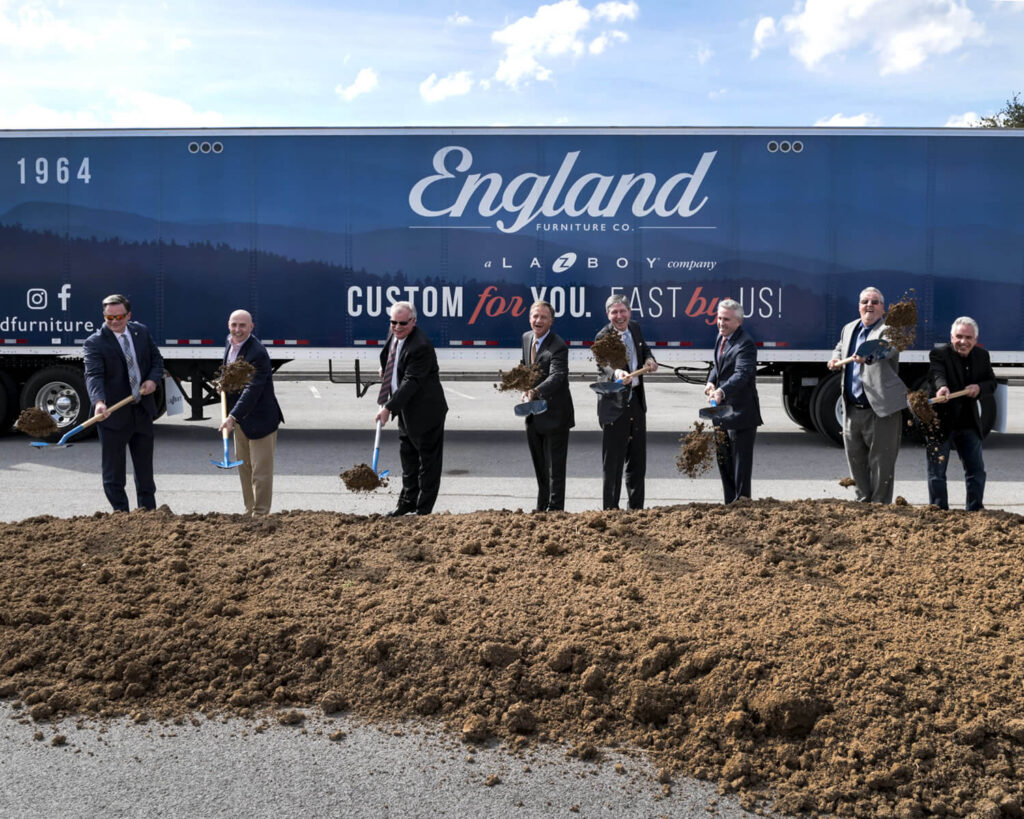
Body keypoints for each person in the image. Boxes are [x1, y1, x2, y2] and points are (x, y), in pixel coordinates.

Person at [83, 294, 164, 512]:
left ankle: (147, 515)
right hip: (113, 415)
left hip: (142, 410)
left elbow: (157, 361)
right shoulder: (95, 342)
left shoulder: (141, 332)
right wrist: (99, 402)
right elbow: (93, 375)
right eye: (109, 318)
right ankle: (121, 516)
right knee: (114, 474)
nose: (114, 321)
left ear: (129, 315)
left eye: (119, 316)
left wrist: (151, 380)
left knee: (145, 471)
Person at [827, 286, 907, 503]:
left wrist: (868, 357)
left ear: (883, 308)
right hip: (852, 409)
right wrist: (835, 358)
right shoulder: (849, 328)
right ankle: (863, 504)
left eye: (874, 302)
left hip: (881, 410)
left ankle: (880, 508)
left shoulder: (889, 329)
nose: (869, 306)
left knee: (882, 463)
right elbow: (840, 347)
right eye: (865, 302)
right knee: (856, 461)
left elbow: (887, 349)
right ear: (859, 306)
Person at [375, 301, 448, 515]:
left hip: (426, 412)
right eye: (393, 322)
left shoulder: (421, 347)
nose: (397, 327)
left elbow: (412, 382)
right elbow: (389, 353)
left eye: (402, 323)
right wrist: (385, 367)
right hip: (406, 410)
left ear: (413, 322)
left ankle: (423, 510)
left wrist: (388, 408)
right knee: (408, 459)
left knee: (428, 464)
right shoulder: (395, 334)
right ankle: (407, 502)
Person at [594, 294, 658, 510]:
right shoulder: (603, 336)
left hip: (637, 404)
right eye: (614, 312)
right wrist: (617, 372)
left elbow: (644, 349)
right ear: (608, 314)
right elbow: (604, 364)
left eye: (623, 311)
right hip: (615, 407)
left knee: (637, 461)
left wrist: (649, 359)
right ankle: (610, 511)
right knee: (613, 464)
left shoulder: (636, 328)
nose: (619, 316)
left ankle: (636, 509)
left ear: (629, 312)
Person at [925, 317, 996, 511]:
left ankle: (975, 510)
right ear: (951, 337)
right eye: (959, 337)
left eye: (968, 337)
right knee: (936, 473)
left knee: (976, 471)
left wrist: (979, 387)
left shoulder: (982, 356)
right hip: (941, 422)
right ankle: (939, 511)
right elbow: (937, 374)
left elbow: (991, 383)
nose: (963, 341)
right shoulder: (939, 354)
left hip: (968, 422)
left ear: (975, 339)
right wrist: (942, 388)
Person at [219, 309, 284, 516]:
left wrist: (232, 416)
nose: (237, 330)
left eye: (242, 325)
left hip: (261, 419)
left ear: (251, 327)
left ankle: (261, 513)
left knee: (260, 472)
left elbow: (252, 389)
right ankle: (250, 510)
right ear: (229, 325)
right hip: (241, 420)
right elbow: (232, 375)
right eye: (234, 325)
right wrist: (223, 384)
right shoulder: (230, 344)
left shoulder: (257, 353)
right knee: (244, 469)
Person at [704, 298, 762, 503]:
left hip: (741, 414)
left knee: (740, 467)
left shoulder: (745, 343)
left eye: (726, 319)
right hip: (721, 413)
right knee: (724, 463)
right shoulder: (722, 337)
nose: (721, 323)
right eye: (719, 318)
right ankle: (729, 504)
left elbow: (742, 374)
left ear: (738, 321)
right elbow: (718, 366)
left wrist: (721, 391)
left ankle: (742, 505)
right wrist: (711, 382)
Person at [520, 300, 575, 511]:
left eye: (543, 317)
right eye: (535, 316)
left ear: (551, 321)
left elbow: (557, 376)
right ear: (529, 318)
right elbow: (527, 368)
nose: (538, 320)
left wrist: (535, 391)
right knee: (540, 467)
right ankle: (541, 507)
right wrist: (521, 384)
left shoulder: (558, 346)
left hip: (555, 415)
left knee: (555, 470)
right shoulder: (526, 338)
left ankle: (556, 511)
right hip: (533, 414)